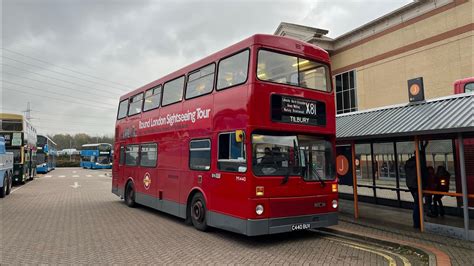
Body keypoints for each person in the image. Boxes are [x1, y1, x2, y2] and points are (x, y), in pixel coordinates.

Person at [404, 156, 420, 228]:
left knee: (417, 203)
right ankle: (417, 222)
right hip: (416, 185)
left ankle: (417, 221)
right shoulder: (417, 163)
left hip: (410, 185)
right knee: (417, 203)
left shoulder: (407, 164)